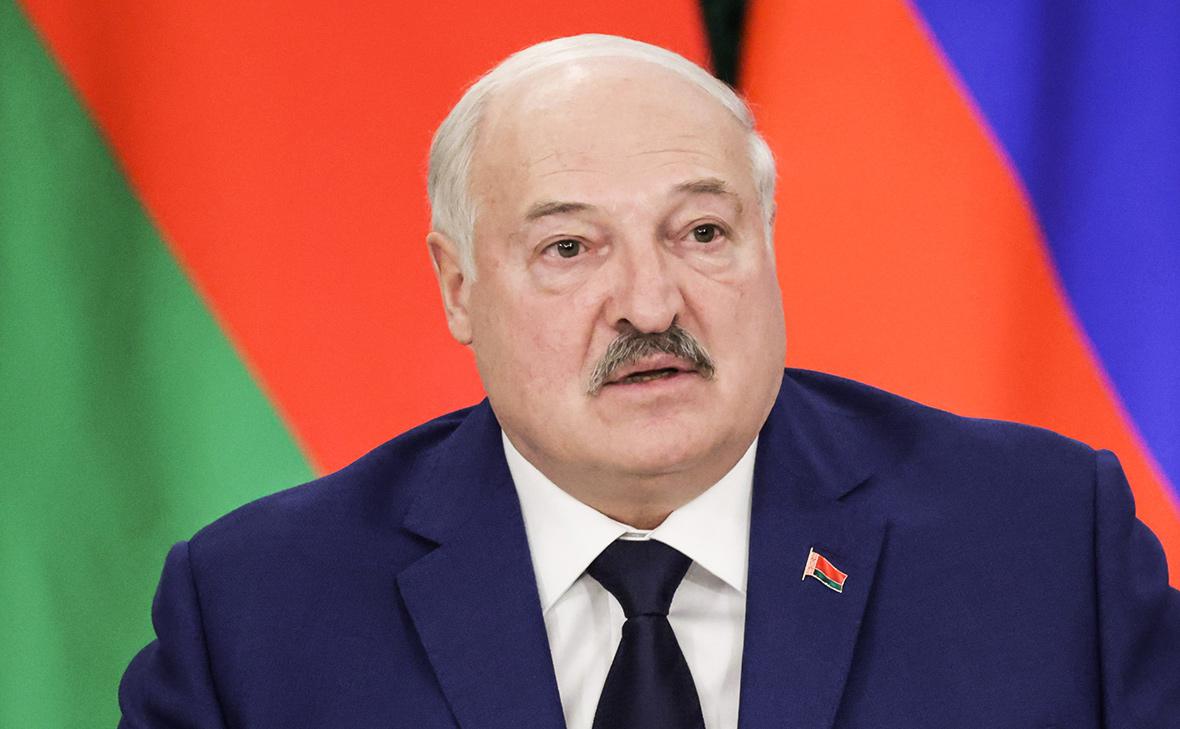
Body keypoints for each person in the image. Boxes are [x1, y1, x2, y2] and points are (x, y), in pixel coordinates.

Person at [118, 34, 1180, 728]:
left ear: (767, 243)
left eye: (701, 232)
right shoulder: (260, 612)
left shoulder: (1041, 542)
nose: (649, 303)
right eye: (569, 248)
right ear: (457, 286)